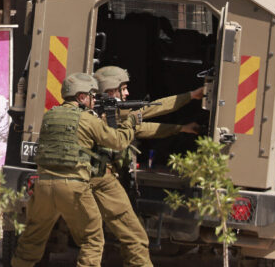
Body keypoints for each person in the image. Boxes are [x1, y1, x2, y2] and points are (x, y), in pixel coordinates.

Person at [11, 73, 139, 267]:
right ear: (81, 97)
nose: (94, 99)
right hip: (73, 187)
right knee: (93, 240)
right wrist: (131, 123)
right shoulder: (87, 119)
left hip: (43, 185)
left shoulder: (50, 115)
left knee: (32, 238)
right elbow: (118, 142)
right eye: (92, 95)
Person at [86, 65, 203, 267]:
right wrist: (191, 96)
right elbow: (153, 109)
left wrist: (181, 128)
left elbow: (142, 127)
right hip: (101, 182)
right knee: (134, 237)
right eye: (123, 89)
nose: (127, 93)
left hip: (89, 182)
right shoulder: (99, 115)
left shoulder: (100, 112)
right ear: (110, 91)